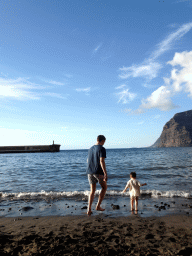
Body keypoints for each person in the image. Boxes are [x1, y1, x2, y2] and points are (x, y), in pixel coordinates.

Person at [86, 135, 107, 216]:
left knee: (92, 191)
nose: (104, 143)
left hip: (89, 171)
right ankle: (98, 206)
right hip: (98, 172)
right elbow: (101, 161)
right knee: (104, 187)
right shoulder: (102, 148)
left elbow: (88, 160)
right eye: (104, 142)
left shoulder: (90, 149)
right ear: (102, 141)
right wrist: (105, 173)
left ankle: (89, 209)